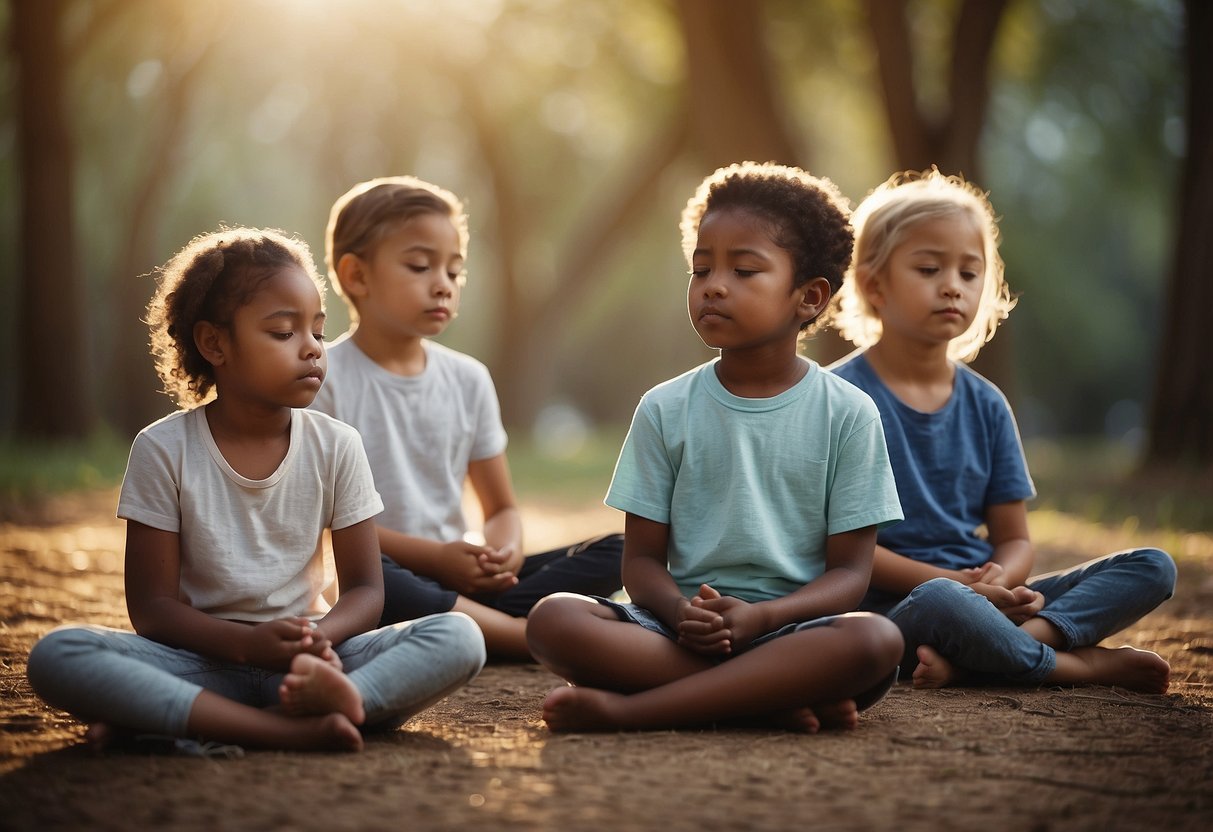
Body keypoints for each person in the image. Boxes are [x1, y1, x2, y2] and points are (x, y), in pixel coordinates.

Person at [26, 227, 486, 754]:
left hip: (311, 661)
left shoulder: (337, 445)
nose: (313, 348)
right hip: (201, 660)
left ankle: (235, 712)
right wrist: (245, 644)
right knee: (60, 654)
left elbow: (366, 590)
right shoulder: (162, 448)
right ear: (213, 343)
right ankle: (289, 727)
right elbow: (152, 607)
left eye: (317, 330)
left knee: (458, 637)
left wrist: (320, 639)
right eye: (284, 332)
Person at [524, 161, 906, 732]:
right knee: (553, 619)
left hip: (795, 633)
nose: (714, 285)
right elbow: (643, 560)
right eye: (701, 269)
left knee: (875, 639)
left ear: (809, 297)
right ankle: (766, 699)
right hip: (681, 633)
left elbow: (851, 574)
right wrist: (680, 613)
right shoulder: (664, 408)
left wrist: (765, 617)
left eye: (744, 270)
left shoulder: (848, 413)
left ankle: (636, 712)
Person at [827, 168, 1176, 692]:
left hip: (991, 600)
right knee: (945, 603)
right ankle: (1072, 666)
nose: (952, 286)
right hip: (896, 609)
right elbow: (838, 549)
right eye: (929, 268)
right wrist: (954, 586)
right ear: (874, 284)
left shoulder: (987, 404)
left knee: (1153, 566)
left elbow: (1014, 538)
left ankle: (992, 655)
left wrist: (1004, 582)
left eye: (970, 274)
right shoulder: (836, 399)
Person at [311, 176, 624, 661]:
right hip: (380, 581)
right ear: (356, 276)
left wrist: (504, 552)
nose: (443, 284)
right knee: (376, 573)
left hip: (464, 578)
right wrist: (436, 559)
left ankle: (483, 626)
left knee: (621, 549)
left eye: (455, 272)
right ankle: (527, 638)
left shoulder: (468, 378)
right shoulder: (321, 379)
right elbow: (327, 525)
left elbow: (499, 509)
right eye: (420, 266)